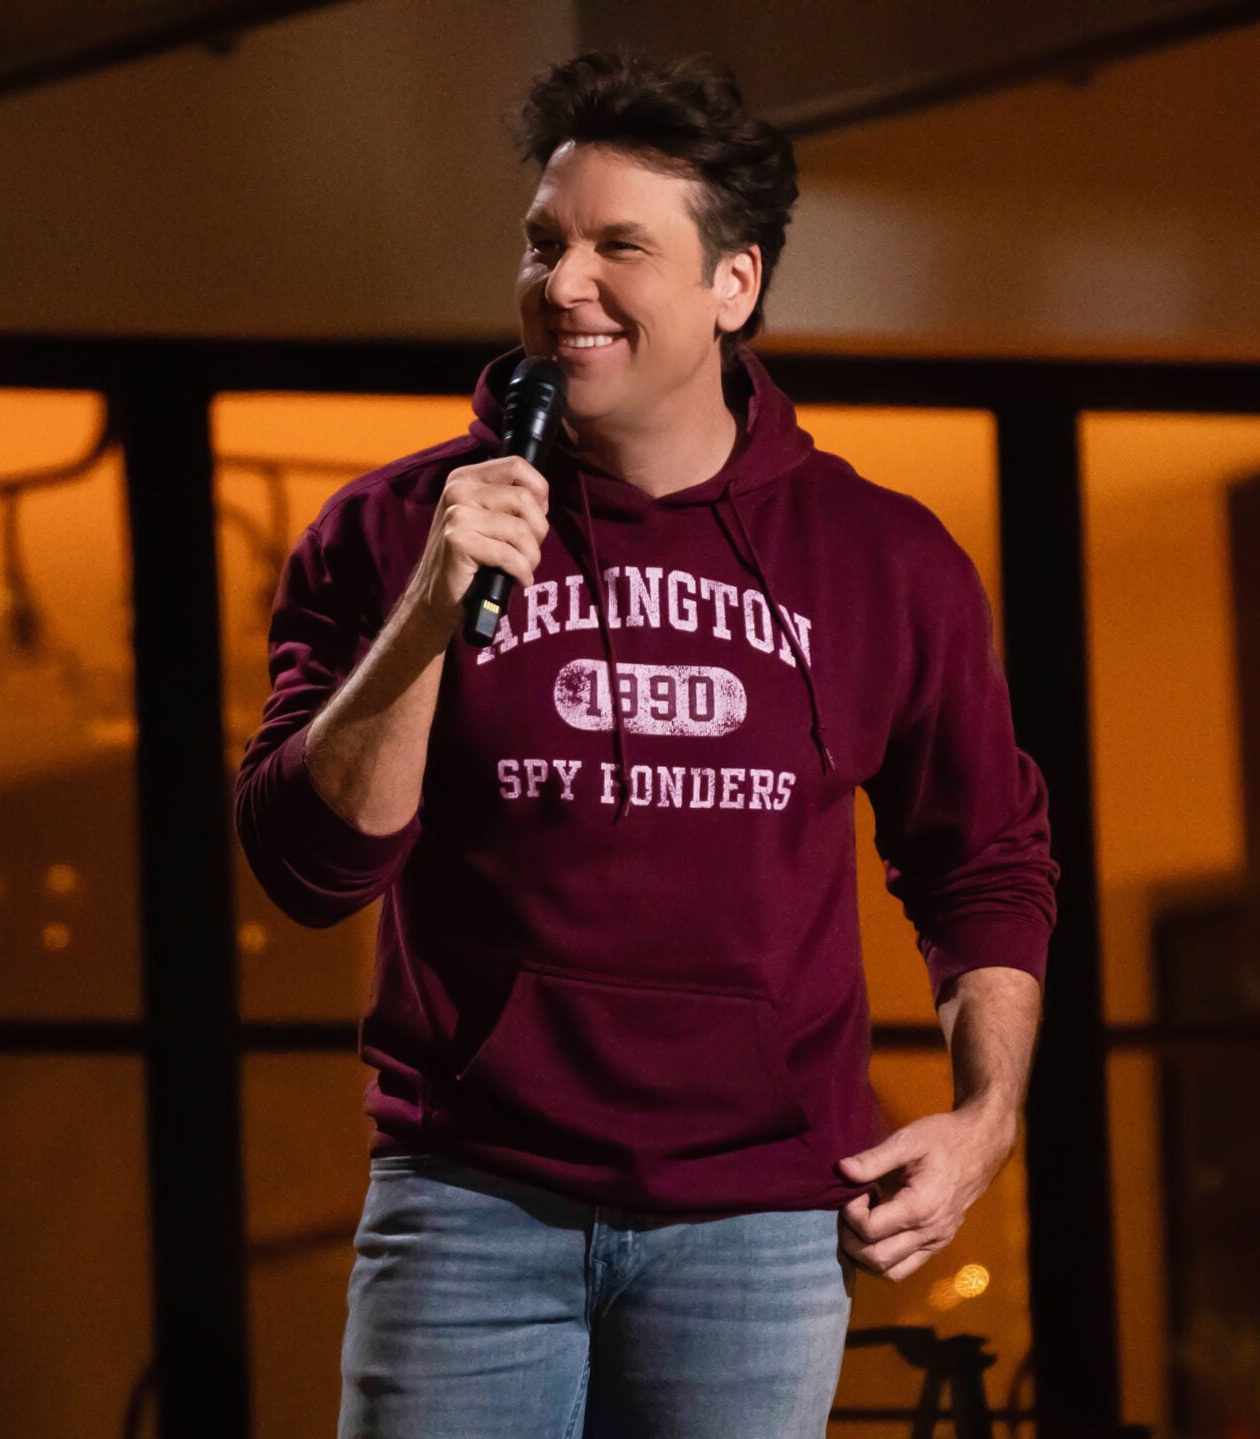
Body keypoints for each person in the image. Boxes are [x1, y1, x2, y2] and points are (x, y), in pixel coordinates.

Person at [234, 46, 1058, 1439]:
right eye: (544, 242)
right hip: (468, 1204)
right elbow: (313, 867)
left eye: (620, 246)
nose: (564, 284)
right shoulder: (393, 535)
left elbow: (981, 855)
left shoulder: (885, 560)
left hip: (756, 1227)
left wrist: (986, 1117)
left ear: (734, 284)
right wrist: (430, 618)